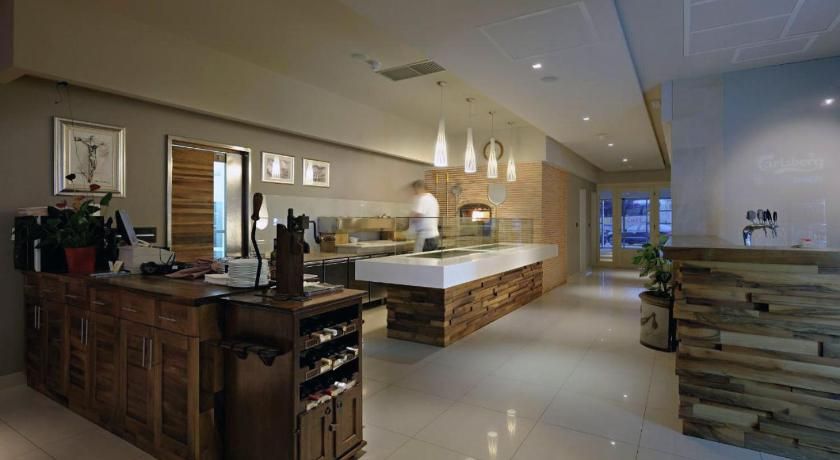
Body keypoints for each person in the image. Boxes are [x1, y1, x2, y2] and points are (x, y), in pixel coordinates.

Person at [409, 179, 440, 252]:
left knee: (418, 258)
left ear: (418, 188)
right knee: (429, 259)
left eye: (414, 190)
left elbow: (418, 216)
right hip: (434, 236)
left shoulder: (423, 199)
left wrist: (410, 216)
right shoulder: (433, 198)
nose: (414, 192)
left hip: (425, 237)